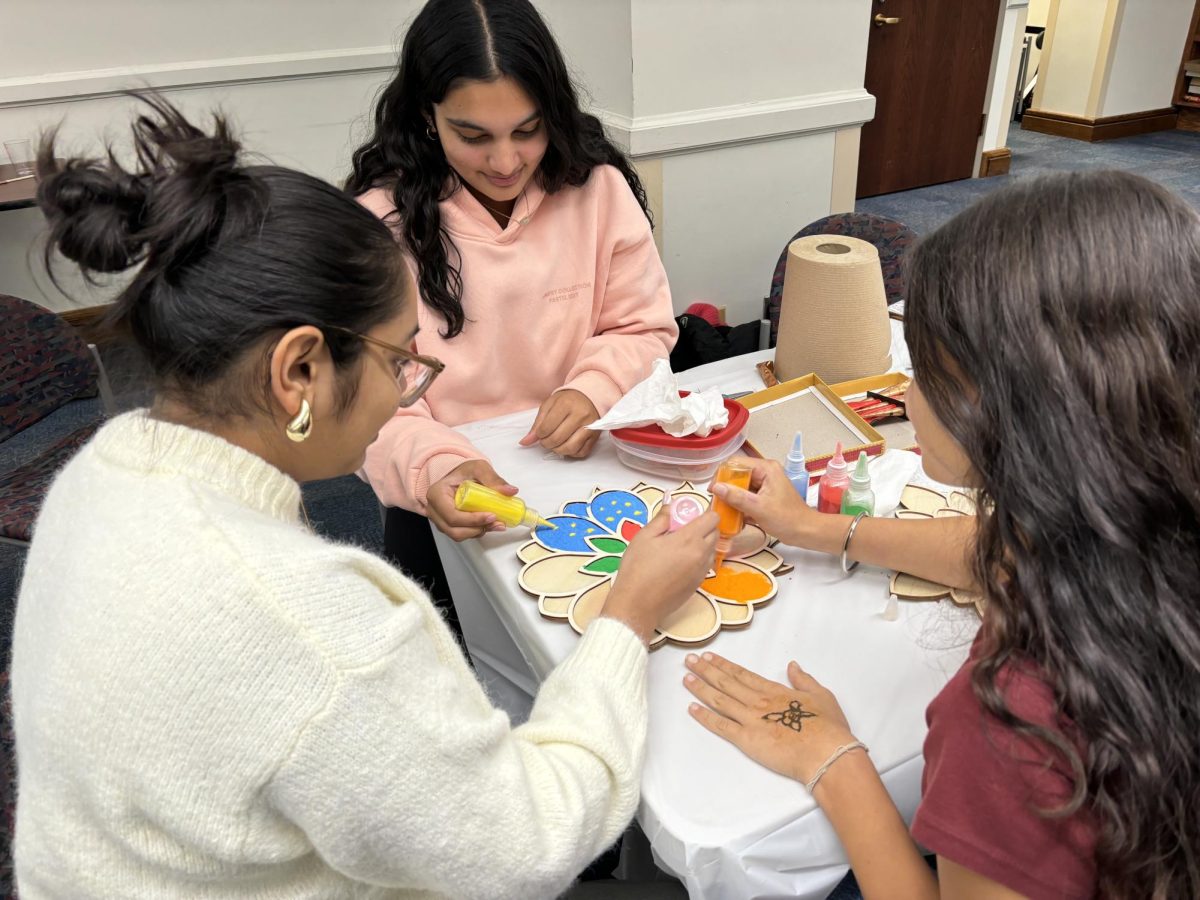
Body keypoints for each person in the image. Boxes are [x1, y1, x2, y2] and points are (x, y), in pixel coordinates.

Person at [11, 96, 717, 899]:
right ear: (298, 370)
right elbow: (527, 843)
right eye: (399, 362)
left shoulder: (101, 471)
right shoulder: (318, 630)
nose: (408, 389)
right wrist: (627, 614)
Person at [684, 171, 1200, 899]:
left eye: (920, 370)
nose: (902, 394)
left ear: (1010, 408)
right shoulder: (1133, 527)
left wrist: (834, 759)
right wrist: (820, 528)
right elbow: (996, 554)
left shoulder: (1016, 719)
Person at [345, 0, 677, 620]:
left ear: (554, 112)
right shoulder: (379, 224)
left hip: (586, 477)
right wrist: (433, 467)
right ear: (426, 117)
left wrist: (594, 387)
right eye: (472, 136)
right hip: (444, 497)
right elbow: (361, 403)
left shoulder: (595, 189)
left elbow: (642, 324)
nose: (505, 163)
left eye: (528, 130)